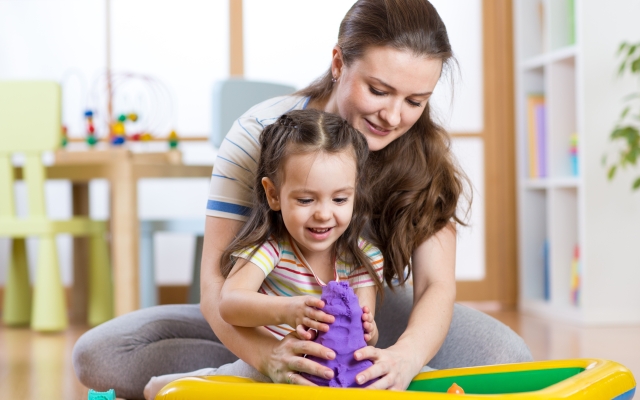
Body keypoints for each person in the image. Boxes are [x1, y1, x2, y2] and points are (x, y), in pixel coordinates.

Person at [73, 1, 532, 398]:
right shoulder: (261, 134)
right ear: (338, 62)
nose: (394, 116)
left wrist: (407, 356)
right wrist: (271, 356)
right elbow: (217, 283)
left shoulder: (425, 154)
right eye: (378, 90)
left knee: (507, 357)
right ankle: (253, 366)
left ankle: (260, 375)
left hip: (366, 315)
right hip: (263, 299)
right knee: (101, 354)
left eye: (416, 101)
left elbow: (436, 286)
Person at [142, 109, 384, 399]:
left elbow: (367, 335)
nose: (323, 214)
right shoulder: (272, 248)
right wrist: (288, 310)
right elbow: (230, 303)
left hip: (332, 374)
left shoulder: (363, 258)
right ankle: (179, 384)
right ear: (273, 194)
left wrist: (368, 329)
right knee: (232, 384)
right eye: (306, 199)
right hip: (271, 366)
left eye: (340, 199)